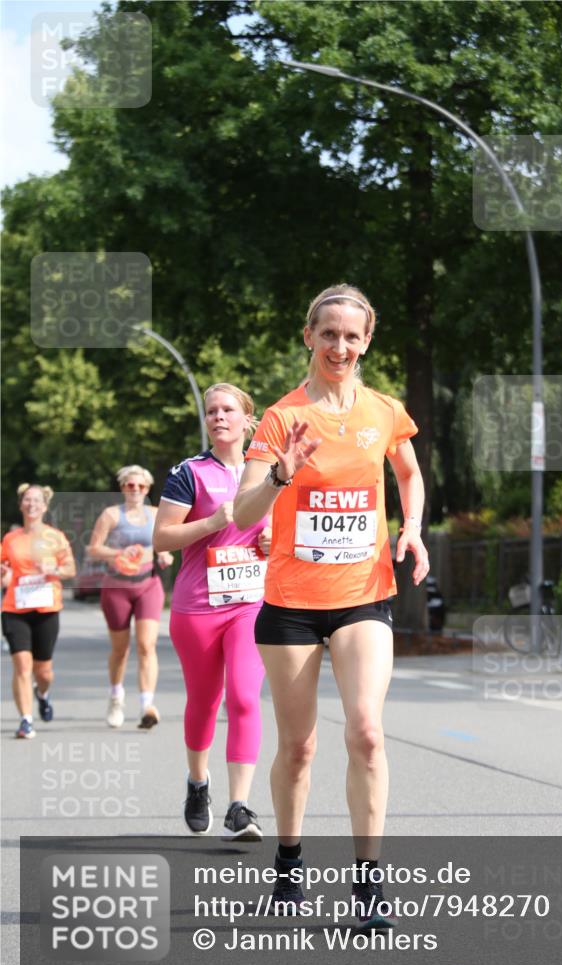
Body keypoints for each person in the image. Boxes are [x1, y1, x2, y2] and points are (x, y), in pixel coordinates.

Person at [234, 283, 429, 929]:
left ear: (365, 340)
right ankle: (289, 867)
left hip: (363, 596)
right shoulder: (279, 417)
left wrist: (412, 528)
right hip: (289, 604)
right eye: (328, 334)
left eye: (351, 336)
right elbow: (241, 512)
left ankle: (367, 887)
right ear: (308, 337)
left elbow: (407, 471)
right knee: (297, 747)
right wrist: (281, 475)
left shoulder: (384, 410)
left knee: (367, 735)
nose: (339, 346)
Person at [153, 383, 271, 839]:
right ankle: (198, 781)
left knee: (243, 696)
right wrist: (210, 523)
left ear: (247, 419)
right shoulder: (189, 473)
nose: (218, 417)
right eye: (211, 411)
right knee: (205, 701)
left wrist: (271, 539)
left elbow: (285, 528)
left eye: (227, 410)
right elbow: (162, 538)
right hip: (198, 605)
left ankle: (240, 805)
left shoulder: (271, 473)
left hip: (250, 603)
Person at [87, 465, 174, 730]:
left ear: (147, 489)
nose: (135, 490)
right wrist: (120, 554)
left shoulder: (157, 514)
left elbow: (165, 542)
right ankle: (116, 697)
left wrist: (163, 554)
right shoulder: (111, 515)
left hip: (148, 584)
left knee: (147, 645)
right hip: (117, 587)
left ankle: (147, 705)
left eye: (140, 486)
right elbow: (93, 549)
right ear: (123, 488)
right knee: (121, 650)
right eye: (129, 485)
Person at [1, 483, 76, 739]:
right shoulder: (10, 539)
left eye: (36, 501)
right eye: (27, 500)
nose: (31, 504)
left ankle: (42, 693)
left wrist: (53, 569)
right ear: (21, 505)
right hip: (15, 608)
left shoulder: (55, 537)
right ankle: (25, 720)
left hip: (46, 608)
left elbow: (70, 569)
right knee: (22, 665)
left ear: (44, 506)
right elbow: (3, 569)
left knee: (43, 672)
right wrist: (5, 575)